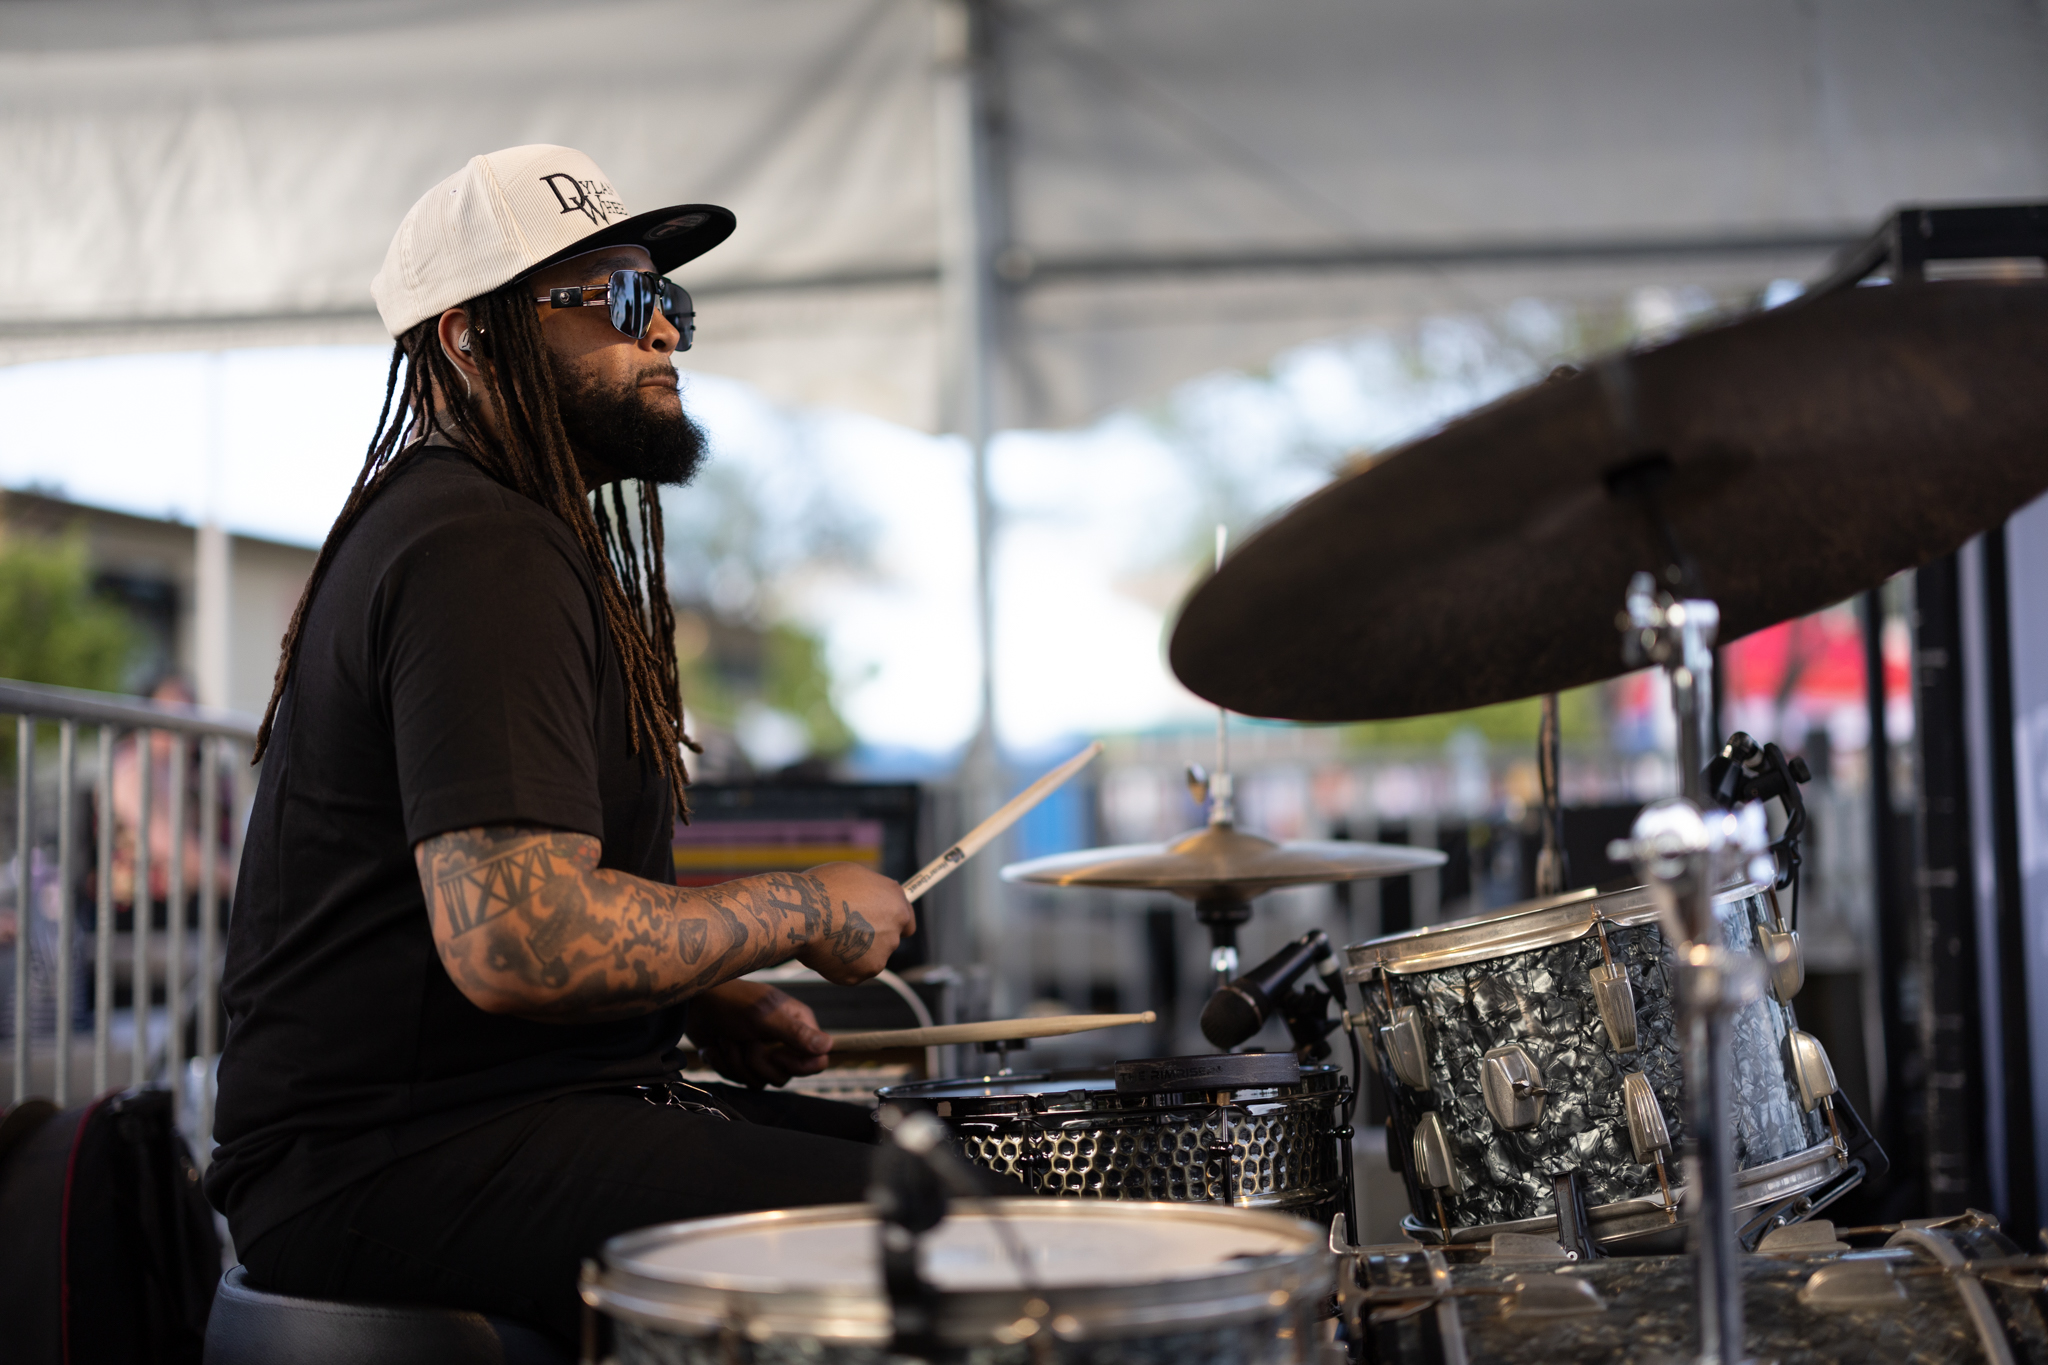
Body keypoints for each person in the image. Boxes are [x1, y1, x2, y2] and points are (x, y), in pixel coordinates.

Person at [204, 146, 925, 1346]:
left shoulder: (496, 527)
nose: (665, 332)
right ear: (469, 339)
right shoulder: (475, 545)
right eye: (621, 300)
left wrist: (699, 992)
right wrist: (802, 906)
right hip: (391, 1161)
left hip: (483, 1121)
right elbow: (519, 941)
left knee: (942, 1165)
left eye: (669, 299)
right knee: (957, 1232)